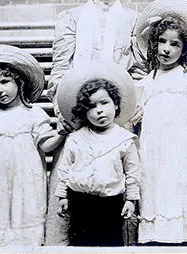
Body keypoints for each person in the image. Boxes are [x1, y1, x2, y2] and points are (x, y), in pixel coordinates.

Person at [45, 0, 141, 245]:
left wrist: (130, 109)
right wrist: (66, 114)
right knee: (76, 202)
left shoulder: (133, 20)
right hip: (78, 116)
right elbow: (59, 72)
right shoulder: (70, 19)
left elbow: (138, 71)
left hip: (117, 118)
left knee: (117, 201)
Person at [0, 45, 63, 247]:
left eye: (5, 82)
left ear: (19, 82)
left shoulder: (34, 114)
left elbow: (46, 146)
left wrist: (61, 132)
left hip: (26, 181)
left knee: (26, 221)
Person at [133, 0, 187, 245]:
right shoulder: (145, 83)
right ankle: (155, 238)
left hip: (182, 149)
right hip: (153, 150)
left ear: (184, 49)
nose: (166, 49)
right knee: (155, 188)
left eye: (175, 44)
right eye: (162, 42)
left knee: (181, 188)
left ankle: (183, 239)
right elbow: (135, 121)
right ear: (153, 44)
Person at [53, 62, 140, 246]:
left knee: (111, 244)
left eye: (104, 103)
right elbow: (65, 170)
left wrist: (131, 200)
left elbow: (132, 173)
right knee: (80, 244)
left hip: (111, 204)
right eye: (92, 106)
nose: (100, 110)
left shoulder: (124, 139)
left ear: (116, 104)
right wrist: (62, 197)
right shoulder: (76, 139)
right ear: (84, 111)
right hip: (80, 202)